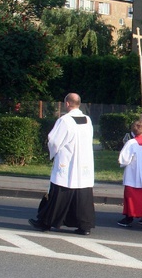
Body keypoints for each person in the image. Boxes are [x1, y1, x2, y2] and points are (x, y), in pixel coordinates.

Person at [28, 93, 95, 235]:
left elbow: (53, 141)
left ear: (67, 104)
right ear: (79, 104)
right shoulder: (87, 120)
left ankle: (45, 222)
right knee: (82, 195)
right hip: (84, 163)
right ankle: (84, 226)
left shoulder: (64, 120)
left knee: (59, 193)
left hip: (68, 162)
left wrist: (53, 153)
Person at [116, 120, 142, 228]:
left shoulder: (131, 143)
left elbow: (124, 159)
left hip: (133, 174)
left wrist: (120, 161)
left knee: (130, 197)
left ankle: (130, 217)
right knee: (141, 198)